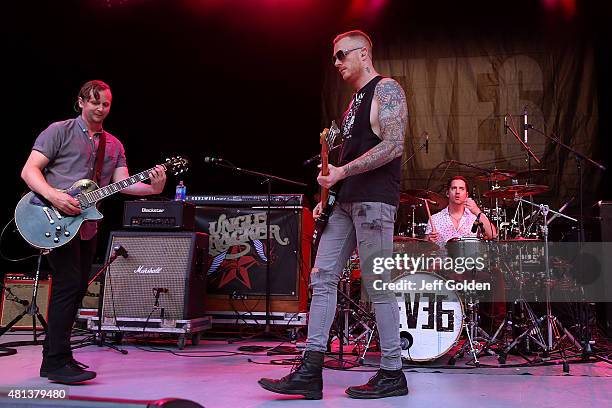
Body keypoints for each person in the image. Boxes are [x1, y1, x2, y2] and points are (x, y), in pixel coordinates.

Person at [258, 30, 408, 400]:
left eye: (342, 55)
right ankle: (311, 370)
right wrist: (330, 192)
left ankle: (392, 372)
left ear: (363, 54)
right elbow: (343, 159)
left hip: (374, 200)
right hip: (345, 200)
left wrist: (342, 173)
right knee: (321, 276)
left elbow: (393, 144)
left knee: (377, 283)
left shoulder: (386, 90)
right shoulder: (351, 104)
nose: (337, 63)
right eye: (334, 57)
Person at [20, 80, 167, 384]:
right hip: (53, 219)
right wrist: (55, 195)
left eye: (106, 104)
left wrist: (154, 187)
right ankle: (55, 362)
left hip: (86, 226)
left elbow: (125, 184)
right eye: (95, 102)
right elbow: (29, 171)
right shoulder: (58, 130)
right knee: (67, 285)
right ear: (81, 102)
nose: (100, 109)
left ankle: (59, 358)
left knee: (75, 289)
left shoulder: (112, 145)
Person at [426, 176, 497, 244]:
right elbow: (426, 249)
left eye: (461, 188)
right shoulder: (435, 219)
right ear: (447, 193)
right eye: (454, 188)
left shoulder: (475, 217)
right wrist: (429, 242)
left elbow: (493, 235)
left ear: (466, 195)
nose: (457, 192)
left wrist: (477, 211)